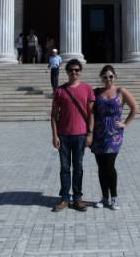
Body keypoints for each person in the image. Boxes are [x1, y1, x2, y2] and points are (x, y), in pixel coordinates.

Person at [91, 65, 138, 210]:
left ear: (115, 77)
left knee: (109, 165)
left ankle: (114, 197)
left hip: (114, 135)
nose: (108, 79)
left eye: (110, 76)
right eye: (105, 77)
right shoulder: (96, 92)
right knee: (101, 167)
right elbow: (91, 112)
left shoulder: (120, 91)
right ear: (101, 78)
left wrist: (125, 123)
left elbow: (135, 108)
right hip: (98, 133)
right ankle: (104, 197)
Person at [50, 59, 94, 212]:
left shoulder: (87, 89)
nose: (74, 72)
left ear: (80, 71)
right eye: (71, 70)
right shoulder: (60, 91)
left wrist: (90, 133)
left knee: (78, 168)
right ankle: (64, 198)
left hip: (80, 135)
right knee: (64, 168)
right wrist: (54, 135)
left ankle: (77, 198)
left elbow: (91, 113)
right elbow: (54, 115)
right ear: (67, 72)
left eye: (76, 70)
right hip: (63, 135)